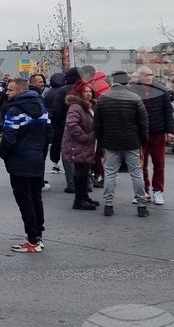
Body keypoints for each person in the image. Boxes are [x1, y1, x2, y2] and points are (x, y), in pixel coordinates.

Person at [0, 79, 52, 252]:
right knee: (36, 198)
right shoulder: (42, 108)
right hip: (37, 158)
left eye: (10, 90)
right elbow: (49, 134)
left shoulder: (14, 111)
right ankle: (38, 236)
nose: (7, 92)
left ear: (21, 91)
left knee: (25, 201)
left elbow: (9, 139)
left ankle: (32, 240)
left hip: (19, 160)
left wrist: (4, 155)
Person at [95, 71, 150, 218]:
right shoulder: (135, 98)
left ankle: (108, 205)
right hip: (132, 142)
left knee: (110, 174)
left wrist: (101, 142)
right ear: (128, 82)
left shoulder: (103, 99)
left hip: (110, 142)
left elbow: (98, 125)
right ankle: (141, 205)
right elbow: (143, 124)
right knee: (137, 174)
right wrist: (143, 142)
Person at [129, 66, 174, 205]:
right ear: (139, 76)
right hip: (140, 133)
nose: (149, 77)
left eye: (150, 75)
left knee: (159, 164)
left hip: (158, 132)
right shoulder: (132, 91)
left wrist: (170, 131)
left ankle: (158, 191)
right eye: (145, 75)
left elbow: (168, 112)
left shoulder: (161, 90)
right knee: (140, 165)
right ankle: (143, 191)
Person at [62, 83, 99, 211]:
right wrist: (85, 137)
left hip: (87, 145)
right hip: (78, 144)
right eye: (85, 92)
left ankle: (84, 196)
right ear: (79, 93)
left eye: (90, 91)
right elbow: (72, 124)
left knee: (85, 170)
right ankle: (79, 200)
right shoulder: (76, 107)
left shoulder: (90, 106)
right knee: (80, 171)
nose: (88, 94)